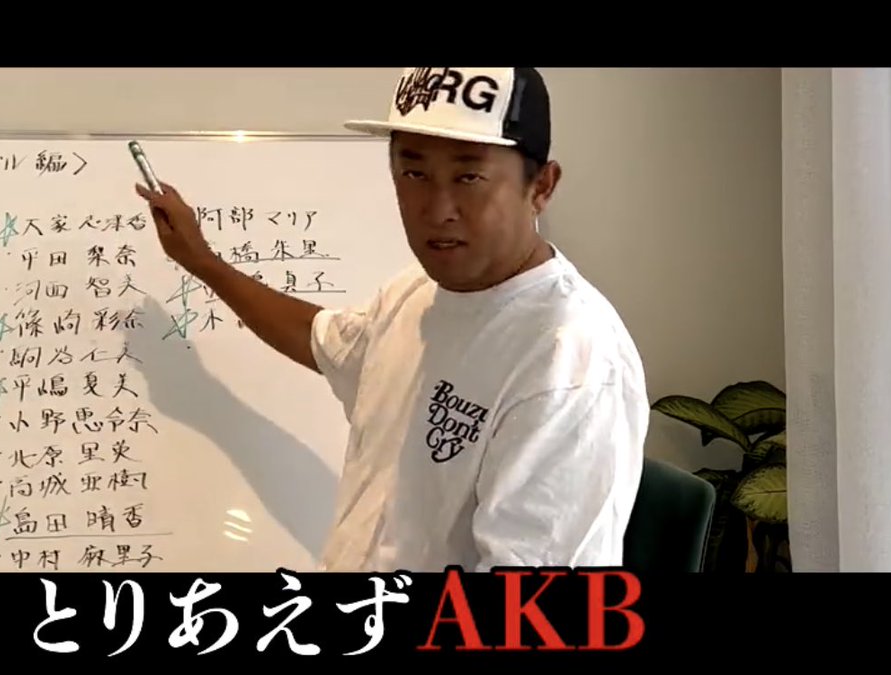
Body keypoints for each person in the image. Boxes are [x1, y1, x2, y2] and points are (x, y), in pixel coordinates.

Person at [133, 67, 648, 573]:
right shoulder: (415, 294)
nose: (437, 209)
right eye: (414, 173)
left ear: (541, 186)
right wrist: (202, 262)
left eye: (469, 177)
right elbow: (324, 341)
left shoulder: (570, 362)